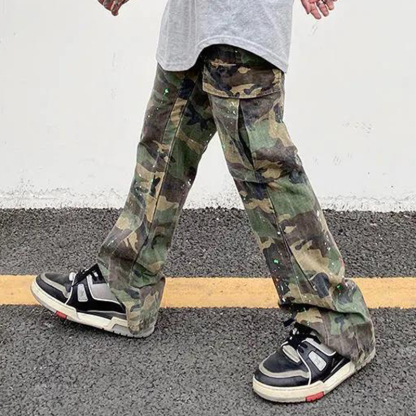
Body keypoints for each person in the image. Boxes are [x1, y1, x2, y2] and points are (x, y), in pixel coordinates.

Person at [32, 0, 375, 403]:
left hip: (240, 20)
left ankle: (336, 326)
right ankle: (127, 285)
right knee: (163, 144)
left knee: (263, 168)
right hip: (194, 20)